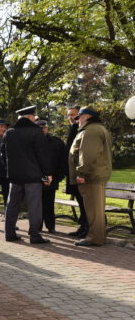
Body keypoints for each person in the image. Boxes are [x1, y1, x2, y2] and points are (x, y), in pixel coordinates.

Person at [1, 106, 53, 244]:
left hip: (14, 176)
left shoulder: (9, 133)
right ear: (30, 117)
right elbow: (43, 156)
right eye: (34, 117)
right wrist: (47, 174)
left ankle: (9, 233)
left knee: (12, 204)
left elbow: (3, 155)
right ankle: (35, 235)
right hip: (33, 176)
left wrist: (9, 169)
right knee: (34, 206)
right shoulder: (36, 132)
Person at [69, 107, 112, 247]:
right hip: (96, 175)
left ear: (86, 117)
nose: (77, 120)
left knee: (93, 210)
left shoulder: (91, 130)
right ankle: (98, 237)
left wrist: (82, 173)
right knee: (96, 210)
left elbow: (88, 154)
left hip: (90, 176)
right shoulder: (98, 128)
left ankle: (95, 238)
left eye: (79, 117)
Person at [63, 106, 90, 238]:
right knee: (80, 201)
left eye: (73, 115)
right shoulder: (73, 129)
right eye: (68, 115)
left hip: (80, 174)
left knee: (85, 202)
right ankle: (83, 226)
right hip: (72, 173)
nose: (71, 118)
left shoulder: (83, 130)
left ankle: (87, 227)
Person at [37, 120, 67, 234]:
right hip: (37, 179)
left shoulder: (56, 142)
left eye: (44, 128)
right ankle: (37, 226)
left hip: (52, 179)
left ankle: (51, 226)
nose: (42, 130)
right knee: (37, 205)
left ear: (47, 128)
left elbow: (62, 161)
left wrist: (57, 177)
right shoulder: (32, 142)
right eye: (40, 128)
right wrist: (43, 178)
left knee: (49, 205)